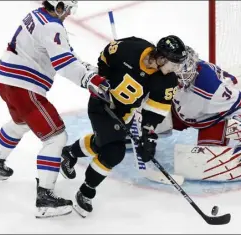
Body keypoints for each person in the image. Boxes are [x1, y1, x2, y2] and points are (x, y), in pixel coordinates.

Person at [0, 0, 108, 218]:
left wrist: (89, 70)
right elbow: (64, 64)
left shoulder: (38, 15)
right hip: (24, 87)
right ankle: (45, 198)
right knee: (56, 137)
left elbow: (67, 54)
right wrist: (88, 80)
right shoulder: (53, 26)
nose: (69, 13)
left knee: (20, 122)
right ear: (59, 5)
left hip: (6, 81)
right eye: (68, 8)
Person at [60, 35, 187, 217]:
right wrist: (102, 83)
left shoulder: (167, 80)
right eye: (174, 63)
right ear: (161, 57)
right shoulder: (130, 49)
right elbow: (105, 57)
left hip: (124, 114)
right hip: (101, 104)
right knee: (114, 151)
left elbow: (156, 110)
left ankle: (69, 153)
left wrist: (148, 135)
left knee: (101, 142)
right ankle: (86, 192)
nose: (176, 68)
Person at [149, 46, 241, 183]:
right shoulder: (169, 69)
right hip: (188, 112)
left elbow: (238, 103)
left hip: (215, 118)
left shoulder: (209, 86)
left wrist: (237, 126)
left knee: (202, 163)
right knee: (152, 115)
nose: (178, 72)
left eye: (180, 69)